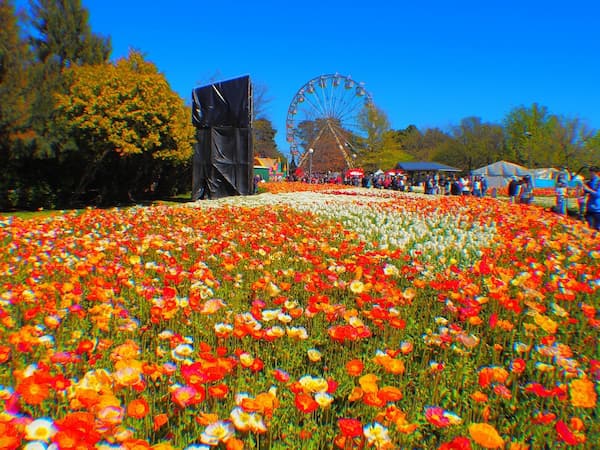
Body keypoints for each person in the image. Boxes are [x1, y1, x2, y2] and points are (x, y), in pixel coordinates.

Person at [583, 166, 600, 230]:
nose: (591, 174)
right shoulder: (589, 182)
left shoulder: (598, 182)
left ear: (597, 173)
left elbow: (598, 194)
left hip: (598, 209)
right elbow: (585, 192)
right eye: (590, 173)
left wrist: (588, 189)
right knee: (590, 228)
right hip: (589, 208)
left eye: (592, 173)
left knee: (597, 229)